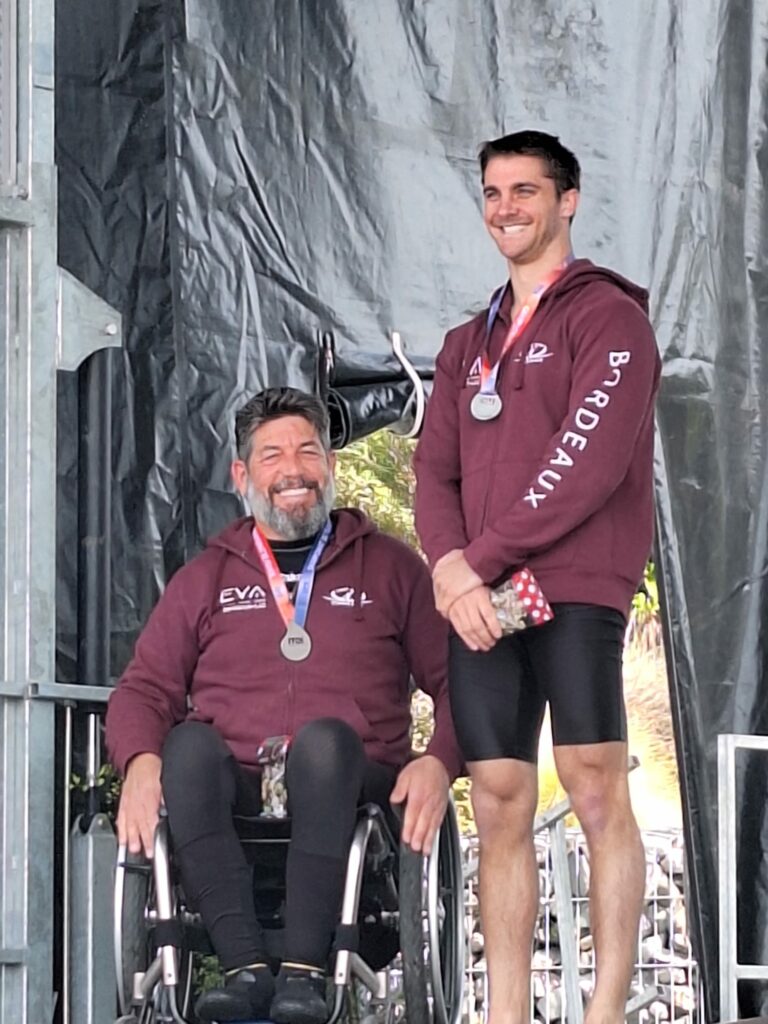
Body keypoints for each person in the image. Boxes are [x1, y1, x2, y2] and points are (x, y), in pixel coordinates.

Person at [106, 386, 462, 1024]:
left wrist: (439, 760)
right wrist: (136, 760)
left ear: (329, 465)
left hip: (354, 786)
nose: (292, 469)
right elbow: (144, 688)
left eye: (307, 451)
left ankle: (304, 974)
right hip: (234, 793)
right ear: (242, 475)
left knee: (323, 745)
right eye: (272, 455)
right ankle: (242, 970)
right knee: (184, 746)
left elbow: (457, 682)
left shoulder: (390, 568)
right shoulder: (207, 577)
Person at [413, 130, 661, 1024]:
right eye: (492, 193)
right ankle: (506, 1012)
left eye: (525, 190)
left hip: (577, 587)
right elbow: (431, 471)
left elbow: (584, 462)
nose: (506, 208)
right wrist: (449, 574)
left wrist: (473, 565)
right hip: (480, 603)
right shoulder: (463, 342)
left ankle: (605, 1010)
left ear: (568, 201)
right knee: (500, 797)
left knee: (594, 785)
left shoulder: (611, 319)